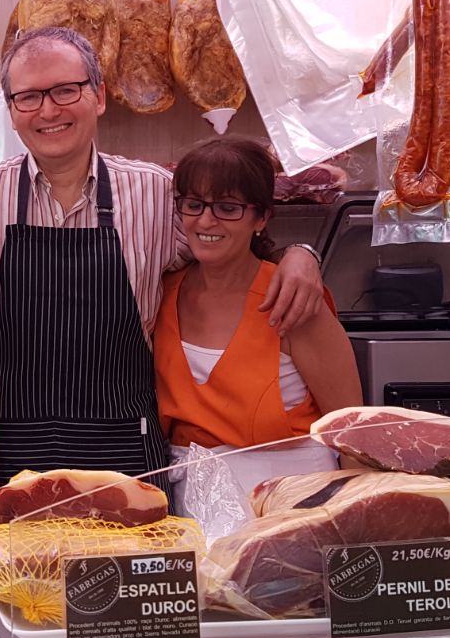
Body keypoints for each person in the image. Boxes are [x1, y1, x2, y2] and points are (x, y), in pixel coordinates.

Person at [0, 27, 326, 489]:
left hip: (128, 455)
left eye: (65, 91)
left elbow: (228, 246)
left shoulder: (153, 191)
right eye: (28, 97)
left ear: (99, 96)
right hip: (11, 453)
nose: (48, 110)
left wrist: (299, 253)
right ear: (11, 111)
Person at [153, 137, 362, 495]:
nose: (206, 220)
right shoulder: (160, 291)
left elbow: (353, 430)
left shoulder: (293, 297)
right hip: (192, 504)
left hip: (294, 500)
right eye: (194, 204)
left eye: (227, 208)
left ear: (261, 217)